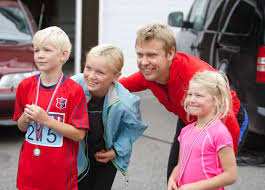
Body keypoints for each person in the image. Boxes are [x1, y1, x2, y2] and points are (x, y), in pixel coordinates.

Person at [118, 23, 248, 180]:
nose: (144, 62)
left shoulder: (194, 76)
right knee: (175, 179)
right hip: (189, 121)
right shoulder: (149, 75)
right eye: (140, 55)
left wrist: (221, 164)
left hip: (224, 120)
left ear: (170, 53)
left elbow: (227, 169)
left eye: (152, 55)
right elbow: (118, 87)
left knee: (202, 178)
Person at [13, 26, 89, 190]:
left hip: (60, 176)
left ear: (64, 55)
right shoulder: (25, 86)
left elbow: (78, 135)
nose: (40, 55)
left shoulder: (73, 90)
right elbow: (21, 127)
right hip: (29, 172)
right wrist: (24, 119)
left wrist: (47, 120)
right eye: (36, 50)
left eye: (47, 50)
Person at [71, 44, 148, 190]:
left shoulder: (125, 101)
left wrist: (116, 151)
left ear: (116, 76)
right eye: (88, 68)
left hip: (105, 157)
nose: (91, 76)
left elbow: (134, 127)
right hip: (77, 153)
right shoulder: (73, 85)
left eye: (100, 72)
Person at [167, 71, 238, 190]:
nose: (192, 99)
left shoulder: (219, 133)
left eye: (199, 95)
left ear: (217, 99)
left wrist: (194, 187)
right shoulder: (185, 131)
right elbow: (181, 165)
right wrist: (172, 178)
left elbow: (231, 175)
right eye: (190, 94)